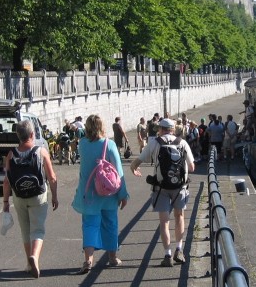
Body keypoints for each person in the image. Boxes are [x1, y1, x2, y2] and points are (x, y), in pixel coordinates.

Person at [129, 118, 195, 267]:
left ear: (161, 129)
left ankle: (167, 255)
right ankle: (179, 249)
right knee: (179, 217)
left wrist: (134, 169)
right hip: (180, 187)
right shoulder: (182, 142)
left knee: (164, 222)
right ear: (172, 129)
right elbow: (192, 167)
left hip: (161, 188)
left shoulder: (155, 143)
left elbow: (138, 161)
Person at [72, 114, 128, 274]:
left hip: (89, 193)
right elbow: (119, 171)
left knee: (89, 225)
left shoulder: (82, 145)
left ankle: (88, 260)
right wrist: (123, 194)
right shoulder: (109, 145)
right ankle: (112, 257)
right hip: (108, 193)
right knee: (110, 223)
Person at [2, 120, 58, 279]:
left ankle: (28, 263)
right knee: (38, 229)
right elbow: (52, 177)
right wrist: (54, 196)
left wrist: (5, 202)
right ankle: (35, 257)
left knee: (25, 230)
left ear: (18, 136)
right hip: (38, 196)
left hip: (19, 197)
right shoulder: (41, 152)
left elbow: (6, 181)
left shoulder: (11, 154)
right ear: (32, 134)